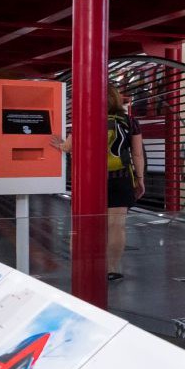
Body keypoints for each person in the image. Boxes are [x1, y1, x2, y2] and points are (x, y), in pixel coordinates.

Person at [51, 84, 144, 280]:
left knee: (82, 225)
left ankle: (81, 267)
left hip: (89, 181)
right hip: (120, 178)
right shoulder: (130, 121)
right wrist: (140, 179)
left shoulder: (85, 118)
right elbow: (137, 154)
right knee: (116, 226)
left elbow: (68, 147)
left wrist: (60, 144)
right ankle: (113, 269)